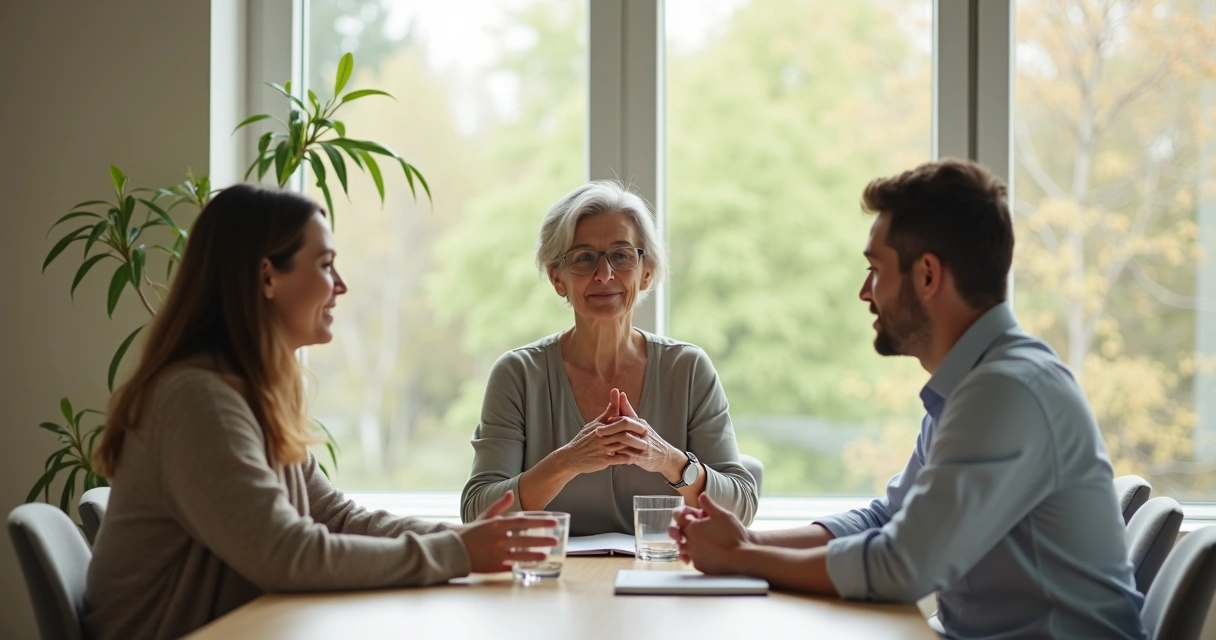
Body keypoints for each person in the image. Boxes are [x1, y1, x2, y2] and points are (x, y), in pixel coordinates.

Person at [669, 159, 1147, 639]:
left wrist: (740, 558)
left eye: (875, 269)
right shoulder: (971, 385)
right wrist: (747, 538)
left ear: (926, 276)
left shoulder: (1006, 391)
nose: (864, 292)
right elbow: (888, 519)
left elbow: (901, 567)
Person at [85, 185, 557, 640]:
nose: (341, 285)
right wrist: (456, 551)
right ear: (267, 276)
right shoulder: (197, 400)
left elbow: (334, 516)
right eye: (326, 265)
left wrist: (469, 536)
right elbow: (285, 554)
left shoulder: (253, 393)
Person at [461, 181, 757, 535]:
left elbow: (741, 509)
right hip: (552, 581)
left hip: (662, 581)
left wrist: (667, 459)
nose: (604, 274)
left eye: (621, 255)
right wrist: (568, 459)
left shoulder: (688, 369)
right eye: (584, 258)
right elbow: (477, 515)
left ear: (646, 273)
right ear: (558, 279)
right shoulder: (518, 375)